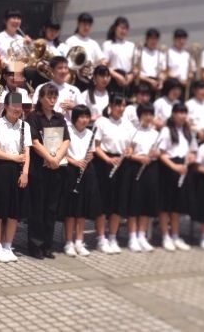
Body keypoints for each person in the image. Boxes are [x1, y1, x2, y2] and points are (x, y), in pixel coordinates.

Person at [26, 83, 71, 259]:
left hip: (56, 168)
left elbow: (66, 140)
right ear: (41, 98)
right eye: (49, 97)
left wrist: (57, 158)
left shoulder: (60, 117)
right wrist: (49, 158)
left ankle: (47, 244)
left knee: (51, 208)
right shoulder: (33, 117)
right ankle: (35, 245)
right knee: (37, 207)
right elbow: (34, 141)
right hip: (39, 168)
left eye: (54, 97)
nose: (52, 100)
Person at [0, 92, 31, 263]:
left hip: (18, 171)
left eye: (20, 106)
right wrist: (13, 158)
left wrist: (25, 172)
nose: (17, 109)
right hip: (0, 169)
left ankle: (7, 245)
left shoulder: (24, 126)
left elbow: (27, 152)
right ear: (5, 106)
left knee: (14, 212)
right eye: (14, 105)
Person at [93, 94, 136, 254]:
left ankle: (112, 237)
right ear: (110, 106)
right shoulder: (101, 122)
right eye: (118, 105)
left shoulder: (128, 124)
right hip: (104, 163)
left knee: (119, 201)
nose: (121, 108)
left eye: (123, 105)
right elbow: (96, 146)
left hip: (122, 164)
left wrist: (129, 151)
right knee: (104, 202)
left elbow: (132, 145)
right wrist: (107, 159)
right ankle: (101, 238)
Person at [60, 105, 101, 257]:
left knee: (82, 209)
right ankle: (68, 242)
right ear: (75, 118)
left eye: (87, 117)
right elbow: (62, 153)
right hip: (71, 170)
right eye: (81, 117)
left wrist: (89, 157)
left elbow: (92, 154)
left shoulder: (90, 133)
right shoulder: (68, 131)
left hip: (86, 171)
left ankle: (79, 241)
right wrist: (75, 162)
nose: (84, 120)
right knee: (71, 209)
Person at [157, 103, 197, 252]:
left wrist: (192, 157)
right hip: (169, 168)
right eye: (180, 113)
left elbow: (193, 150)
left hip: (183, 167)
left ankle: (175, 235)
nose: (183, 116)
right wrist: (174, 167)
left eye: (184, 113)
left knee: (177, 206)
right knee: (165, 205)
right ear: (173, 114)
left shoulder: (188, 131)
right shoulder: (167, 130)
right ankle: (165, 236)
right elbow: (161, 153)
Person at [125, 103, 161, 252]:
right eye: (145, 114)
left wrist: (155, 154)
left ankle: (142, 236)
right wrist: (139, 158)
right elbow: (128, 153)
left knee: (146, 203)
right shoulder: (133, 131)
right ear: (139, 115)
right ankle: (132, 237)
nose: (148, 117)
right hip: (135, 168)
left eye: (150, 114)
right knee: (134, 203)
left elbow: (158, 152)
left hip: (150, 169)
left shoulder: (155, 133)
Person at [31, 56, 85, 125]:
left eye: (66, 68)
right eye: (60, 68)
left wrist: (74, 107)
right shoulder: (41, 87)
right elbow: (34, 108)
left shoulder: (74, 89)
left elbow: (85, 111)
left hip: (68, 126)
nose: (63, 71)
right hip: (46, 125)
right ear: (52, 70)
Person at [64, 13, 104, 91]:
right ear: (78, 24)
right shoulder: (71, 41)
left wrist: (93, 68)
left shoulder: (93, 43)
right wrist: (78, 69)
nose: (87, 27)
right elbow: (65, 62)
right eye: (84, 24)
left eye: (89, 25)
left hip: (90, 81)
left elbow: (101, 61)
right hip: (74, 80)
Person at [102, 16, 136, 96]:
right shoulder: (108, 44)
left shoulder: (131, 45)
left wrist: (130, 77)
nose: (123, 31)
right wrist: (118, 76)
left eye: (126, 29)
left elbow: (135, 66)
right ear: (115, 28)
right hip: (113, 80)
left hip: (128, 80)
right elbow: (104, 64)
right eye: (121, 28)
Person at [166, 29, 195, 93]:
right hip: (173, 85)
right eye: (179, 39)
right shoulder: (168, 53)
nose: (181, 41)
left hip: (186, 85)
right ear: (174, 39)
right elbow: (166, 72)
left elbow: (192, 70)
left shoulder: (187, 54)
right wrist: (178, 80)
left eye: (184, 39)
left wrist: (190, 75)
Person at [137, 28, 165, 93]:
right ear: (147, 39)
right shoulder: (139, 52)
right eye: (151, 39)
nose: (153, 41)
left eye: (155, 39)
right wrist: (149, 81)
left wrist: (161, 82)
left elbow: (163, 71)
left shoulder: (160, 55)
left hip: (156, 83)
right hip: (143, 82)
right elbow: (136, 71)